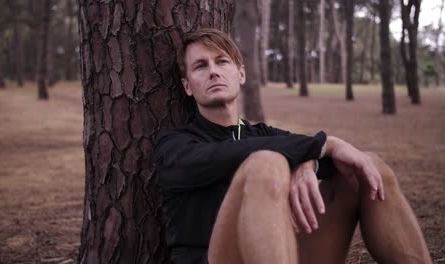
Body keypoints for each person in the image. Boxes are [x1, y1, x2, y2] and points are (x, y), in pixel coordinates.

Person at [153, 28, 432, 264]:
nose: (213, 72)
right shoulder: (175, 144)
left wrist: (307, 162)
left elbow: (308, 152)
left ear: (240, 74)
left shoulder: (263, 134)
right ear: (188, 86)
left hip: (284, 253)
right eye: (201, 66)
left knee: (368, 168)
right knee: (266, 162)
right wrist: (323, 145)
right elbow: (222, 156)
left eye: (221, 62)